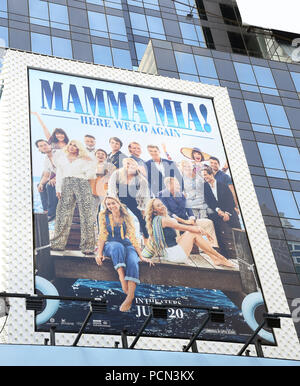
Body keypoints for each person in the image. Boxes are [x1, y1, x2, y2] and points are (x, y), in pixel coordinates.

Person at [96, 196, 154, 312]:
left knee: (133, 260)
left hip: (126, 243)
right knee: (118, 246)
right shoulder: (103, 215)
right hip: (111, 244)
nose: (111, 206)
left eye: (113, 203)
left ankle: (130, 296)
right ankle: (122, 279)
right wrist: (99, 253)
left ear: (118, 203)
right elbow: (102, 235)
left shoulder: (126, 216)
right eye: (108, 204)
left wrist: (141, 256)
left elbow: (132, 236)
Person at [143, 198, 235, 268]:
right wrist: (202, 231)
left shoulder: (155, 220)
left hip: (168, 253)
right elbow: (186, 227)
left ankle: (215, 258)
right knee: (192, 233)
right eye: (158, 206)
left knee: (190, 233)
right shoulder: (164, 220)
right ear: (154, 211)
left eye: (161, 204)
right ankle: (221, 258)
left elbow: (172, 240)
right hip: (173, 256)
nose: (162, 206)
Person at [50, 140, 96, 255]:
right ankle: (58, 243)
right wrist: (58, 189)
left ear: (79, 148)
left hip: (82, 183)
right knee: (62, 214)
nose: (72, 147)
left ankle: (88, 246)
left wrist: (91, 163)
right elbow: (59, 174)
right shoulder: (62, 159)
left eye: (75, 145)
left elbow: (90, 175)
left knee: (86, 214)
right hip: (66, 183)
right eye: (70, 144)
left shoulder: (84, 159)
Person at [157, 177, 219, 249]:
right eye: (177, 184)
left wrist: (192, 219)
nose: (179, 186)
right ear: (168, 185)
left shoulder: (181, 194)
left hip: (186, 221)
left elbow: (188, 209)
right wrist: (184, 221)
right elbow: (167, 212)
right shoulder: (161, 195)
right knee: (174, 223)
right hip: (173, 221)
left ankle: (213, 246)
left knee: (208, 222)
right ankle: (178, 249)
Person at [202, 166, 241, 259]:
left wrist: (226, 213)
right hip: (217, 214)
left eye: (206, 175)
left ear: (211, 174)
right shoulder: (205, 187)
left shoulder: (222, 185)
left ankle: (239, 257)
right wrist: (218, 210)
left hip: (230, 212)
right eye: (203, 176)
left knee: (237, 235)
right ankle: (226, 257)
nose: (204, 177)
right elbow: (209, 201)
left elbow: (230, 201)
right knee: (221, 236)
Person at [108, 158, 150, 240]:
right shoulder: (117, 174)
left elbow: (145, 195)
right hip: (119, 201)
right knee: (117, 220)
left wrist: (143, 208)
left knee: (142, 220)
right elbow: (111, 189)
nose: (130, 166)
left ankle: (146, 241)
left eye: (132, 164)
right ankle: (117, 239)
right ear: (124, 165)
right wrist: (114, 203)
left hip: (135, 202)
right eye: (127, 163)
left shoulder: (141, 179)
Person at [35, 139, 58, 222]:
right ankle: (46, 210)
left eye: (45, 144)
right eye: (40, 146)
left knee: (50, 184)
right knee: (40, 186)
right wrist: (41, 183)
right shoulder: (46, 159)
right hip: (56, 178)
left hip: (66, 176)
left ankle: (52, 212)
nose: (43, 147)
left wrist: (56, 178)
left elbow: (66, 168)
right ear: (39, 149)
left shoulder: (58, 153)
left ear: (49, 145)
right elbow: (46, 175)